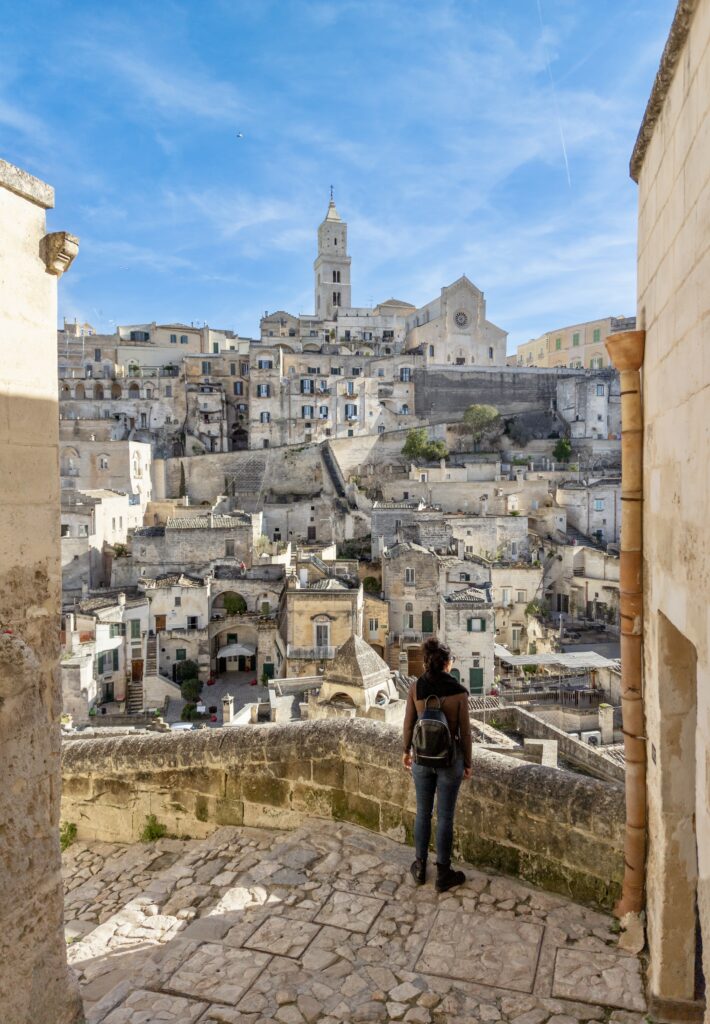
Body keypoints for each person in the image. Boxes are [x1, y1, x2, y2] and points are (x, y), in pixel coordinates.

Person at [402, 637, 472, 892]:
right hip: (450, 760)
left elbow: (408, 724)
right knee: (445, 817)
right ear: (446, 663)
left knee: (423, 812)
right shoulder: (459, 692)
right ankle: (444, 873)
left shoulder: (416, 688)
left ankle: (420, 868)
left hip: (421, 759)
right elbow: (465, 733)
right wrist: (468, 762)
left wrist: (405, 751)